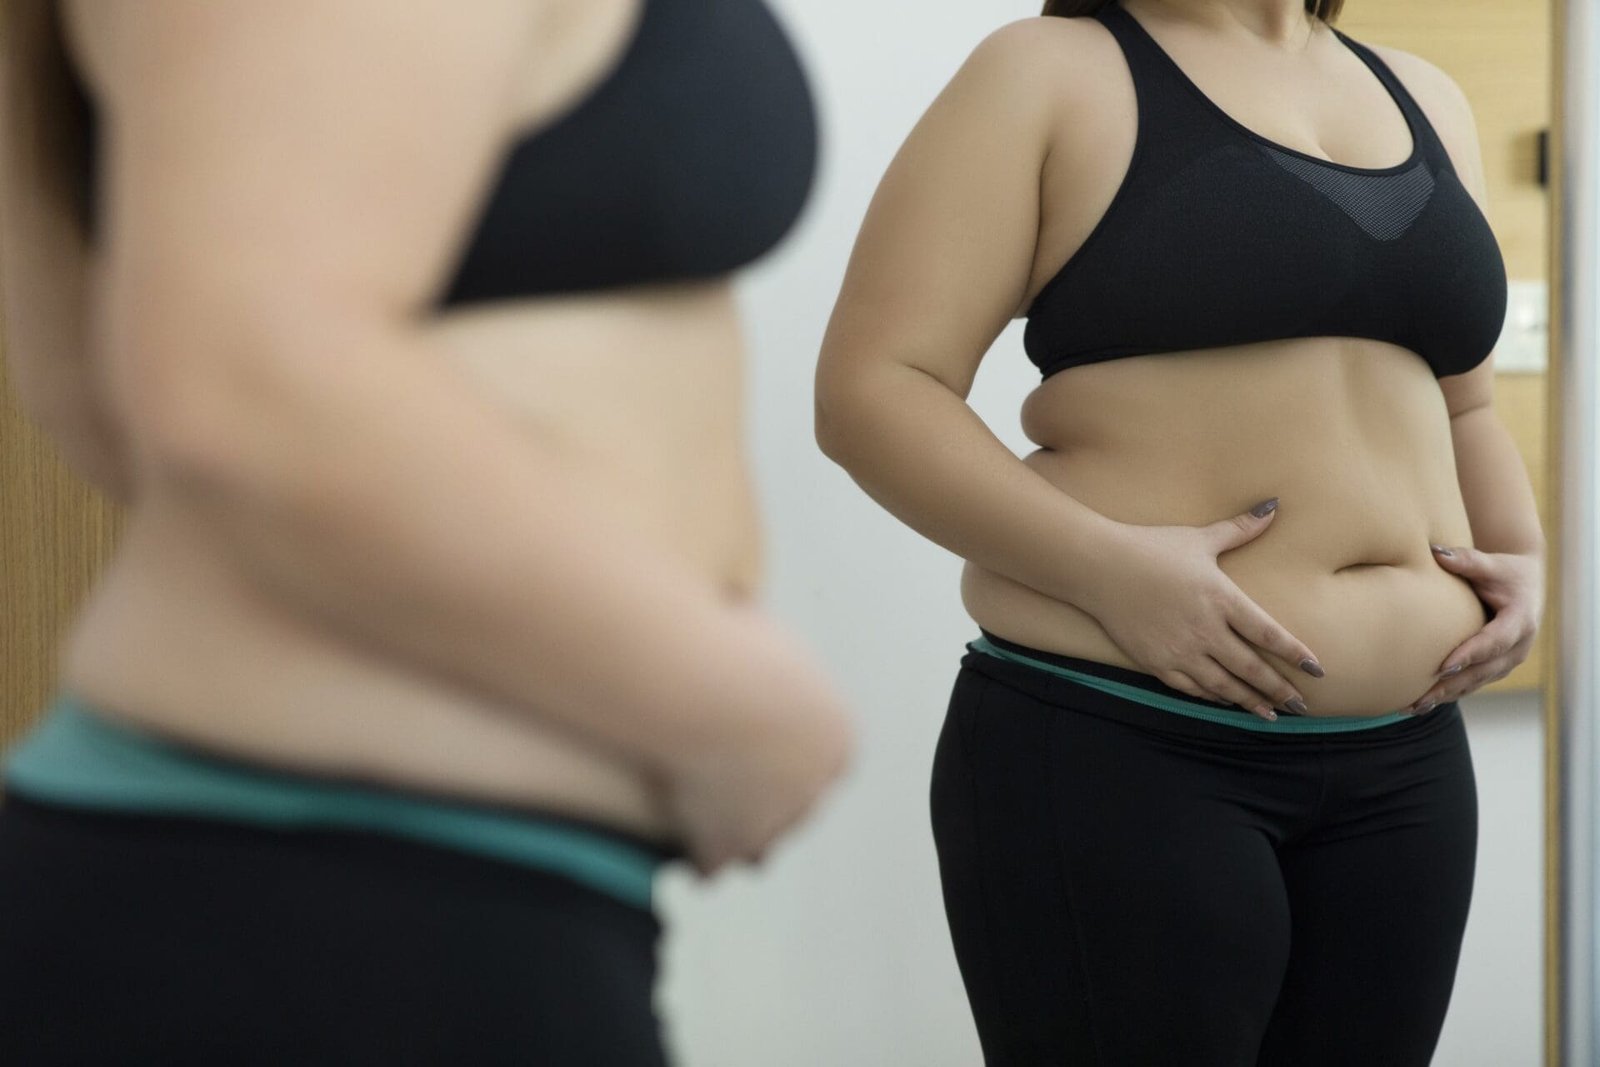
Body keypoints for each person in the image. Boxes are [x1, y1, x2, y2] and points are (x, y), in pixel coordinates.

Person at [0, 1, 852, 1062]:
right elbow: (240, 383)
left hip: (390, 898)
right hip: (309, 902)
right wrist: (734, 705)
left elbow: (90, 384)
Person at [815, 0, 1545, 1062]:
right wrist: (1110, 571)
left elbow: (1462, 402)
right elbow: (874, 390)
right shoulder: (1049, 72)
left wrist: (1520, 556)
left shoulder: (1423, 92)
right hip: (1128, 743)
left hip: (1405, 764)